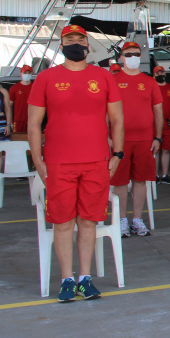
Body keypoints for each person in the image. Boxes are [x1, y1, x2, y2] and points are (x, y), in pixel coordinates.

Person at [28, 24, 124, 301]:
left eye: (80, 39)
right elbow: (34, 124)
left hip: (96, 162)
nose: (75, 43)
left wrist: (117, 154)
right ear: (61, 46)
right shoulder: (46, 78)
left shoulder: (103, 77)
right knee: (62, 223)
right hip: (58, 162)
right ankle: (66, 280)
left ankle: (85, 278)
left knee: (88, 221)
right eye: (69, 39)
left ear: (87, 45)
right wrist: (37, 160)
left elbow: (117, 119)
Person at [111, 42, 163, 237]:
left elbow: (158, 111)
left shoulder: (149, 82)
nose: (132, 57)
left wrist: (157, 137)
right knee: (120, 182)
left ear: (140, 57)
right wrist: (107, 137)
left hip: (145, 140)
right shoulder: (113, 80)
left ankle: (137, 220)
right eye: (128, 54)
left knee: (140, 180)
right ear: (121, 58)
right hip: (120, 140)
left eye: (136, 54)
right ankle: (121, 220)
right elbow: (105, 111)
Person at [152, 66, 170, 185]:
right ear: (154, 75)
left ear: (165, 74)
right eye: (157, 73)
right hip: (154, 124)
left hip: (168, 124)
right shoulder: (152, 88)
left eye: (162, 72)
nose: (160, 74)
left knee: (166, 150)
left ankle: (164, 175)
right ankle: (154, 175)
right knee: (155, 150)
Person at [8, 65, 33, 133]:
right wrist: (10, 122)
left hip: (32, 120)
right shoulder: (14, 88)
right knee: (18, 138)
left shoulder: (35, 87)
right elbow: (9, 106)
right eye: (25, 73)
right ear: (20, 74)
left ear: (31, 74)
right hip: (18, 120)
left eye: (29, 73)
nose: (27, 75)